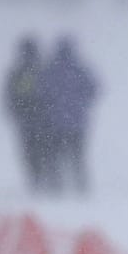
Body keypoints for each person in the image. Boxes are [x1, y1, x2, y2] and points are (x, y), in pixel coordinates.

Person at [37, 36, 100, 194]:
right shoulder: (79, 69)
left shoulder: (50, 70)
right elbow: (94, 88)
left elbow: (41, 93)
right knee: (77, 158)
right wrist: (80, 103)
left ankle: (56, 188)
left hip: (55, 123)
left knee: (55, 158)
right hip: (77, 123)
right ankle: (81, 187)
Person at [3, 37, 46, 191]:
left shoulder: (18, 72)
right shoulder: (43, 69)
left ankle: (35, 179)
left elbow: (9, 96)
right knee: (43, 152)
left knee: (30, 152)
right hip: (43, 121)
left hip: (26, 120)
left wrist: (13, 112)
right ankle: (42, 179)